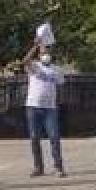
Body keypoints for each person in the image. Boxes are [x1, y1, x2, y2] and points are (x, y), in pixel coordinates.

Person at [23, 42, 66, 178]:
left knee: (54, 136)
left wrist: (57, 102)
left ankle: (58, 167)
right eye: (43, 53)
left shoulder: (57, 69)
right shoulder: (35, 66)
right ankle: (38, 167)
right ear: (39, 55)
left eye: (47, 52)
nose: (45, 55)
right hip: (33, 106)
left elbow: (60, 85)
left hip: (50, 108)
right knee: (34, 137)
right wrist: (35, 46)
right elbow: (25, 61)